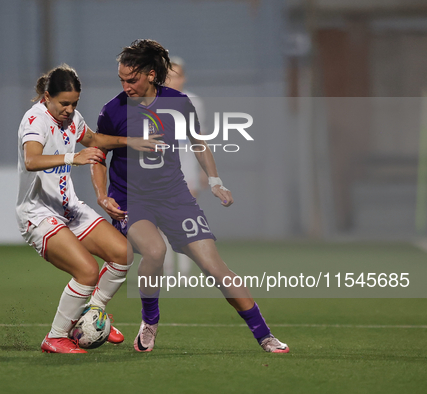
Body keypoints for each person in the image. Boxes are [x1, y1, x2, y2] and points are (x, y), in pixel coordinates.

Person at [91, 39, 289, 353]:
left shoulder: (179, 103)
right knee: (154, 252)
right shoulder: (112, 110)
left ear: (152, 74)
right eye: (121, 80)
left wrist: (215, 181)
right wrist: (102, 196)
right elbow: (97, 156)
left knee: (215, 267)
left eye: (132, 79)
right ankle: (150, 321)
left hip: (174, 196)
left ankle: (265, 336)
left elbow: (199, 142)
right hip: (131, 199)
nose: (125, 86)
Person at [16, 64, 159, 353]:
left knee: (123, 254)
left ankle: (92, 315)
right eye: (64, 103)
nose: (69, 109)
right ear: (47, 97)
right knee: (87, 271)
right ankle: (55, 337)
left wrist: (129, 141)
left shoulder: (73, 119)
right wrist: (73, 157)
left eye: (74, 103)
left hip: (68, 208)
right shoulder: (35, 120)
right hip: (39, 214)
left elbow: (94, 140)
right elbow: (31, 160)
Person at [162, 56, 208, 276]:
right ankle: (168, 268)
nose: (172, 80)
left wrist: (204, 170)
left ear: (184, 78)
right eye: (168, 75)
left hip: (186, 168)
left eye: (176, 75)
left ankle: (185, 269)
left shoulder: (193, 101)